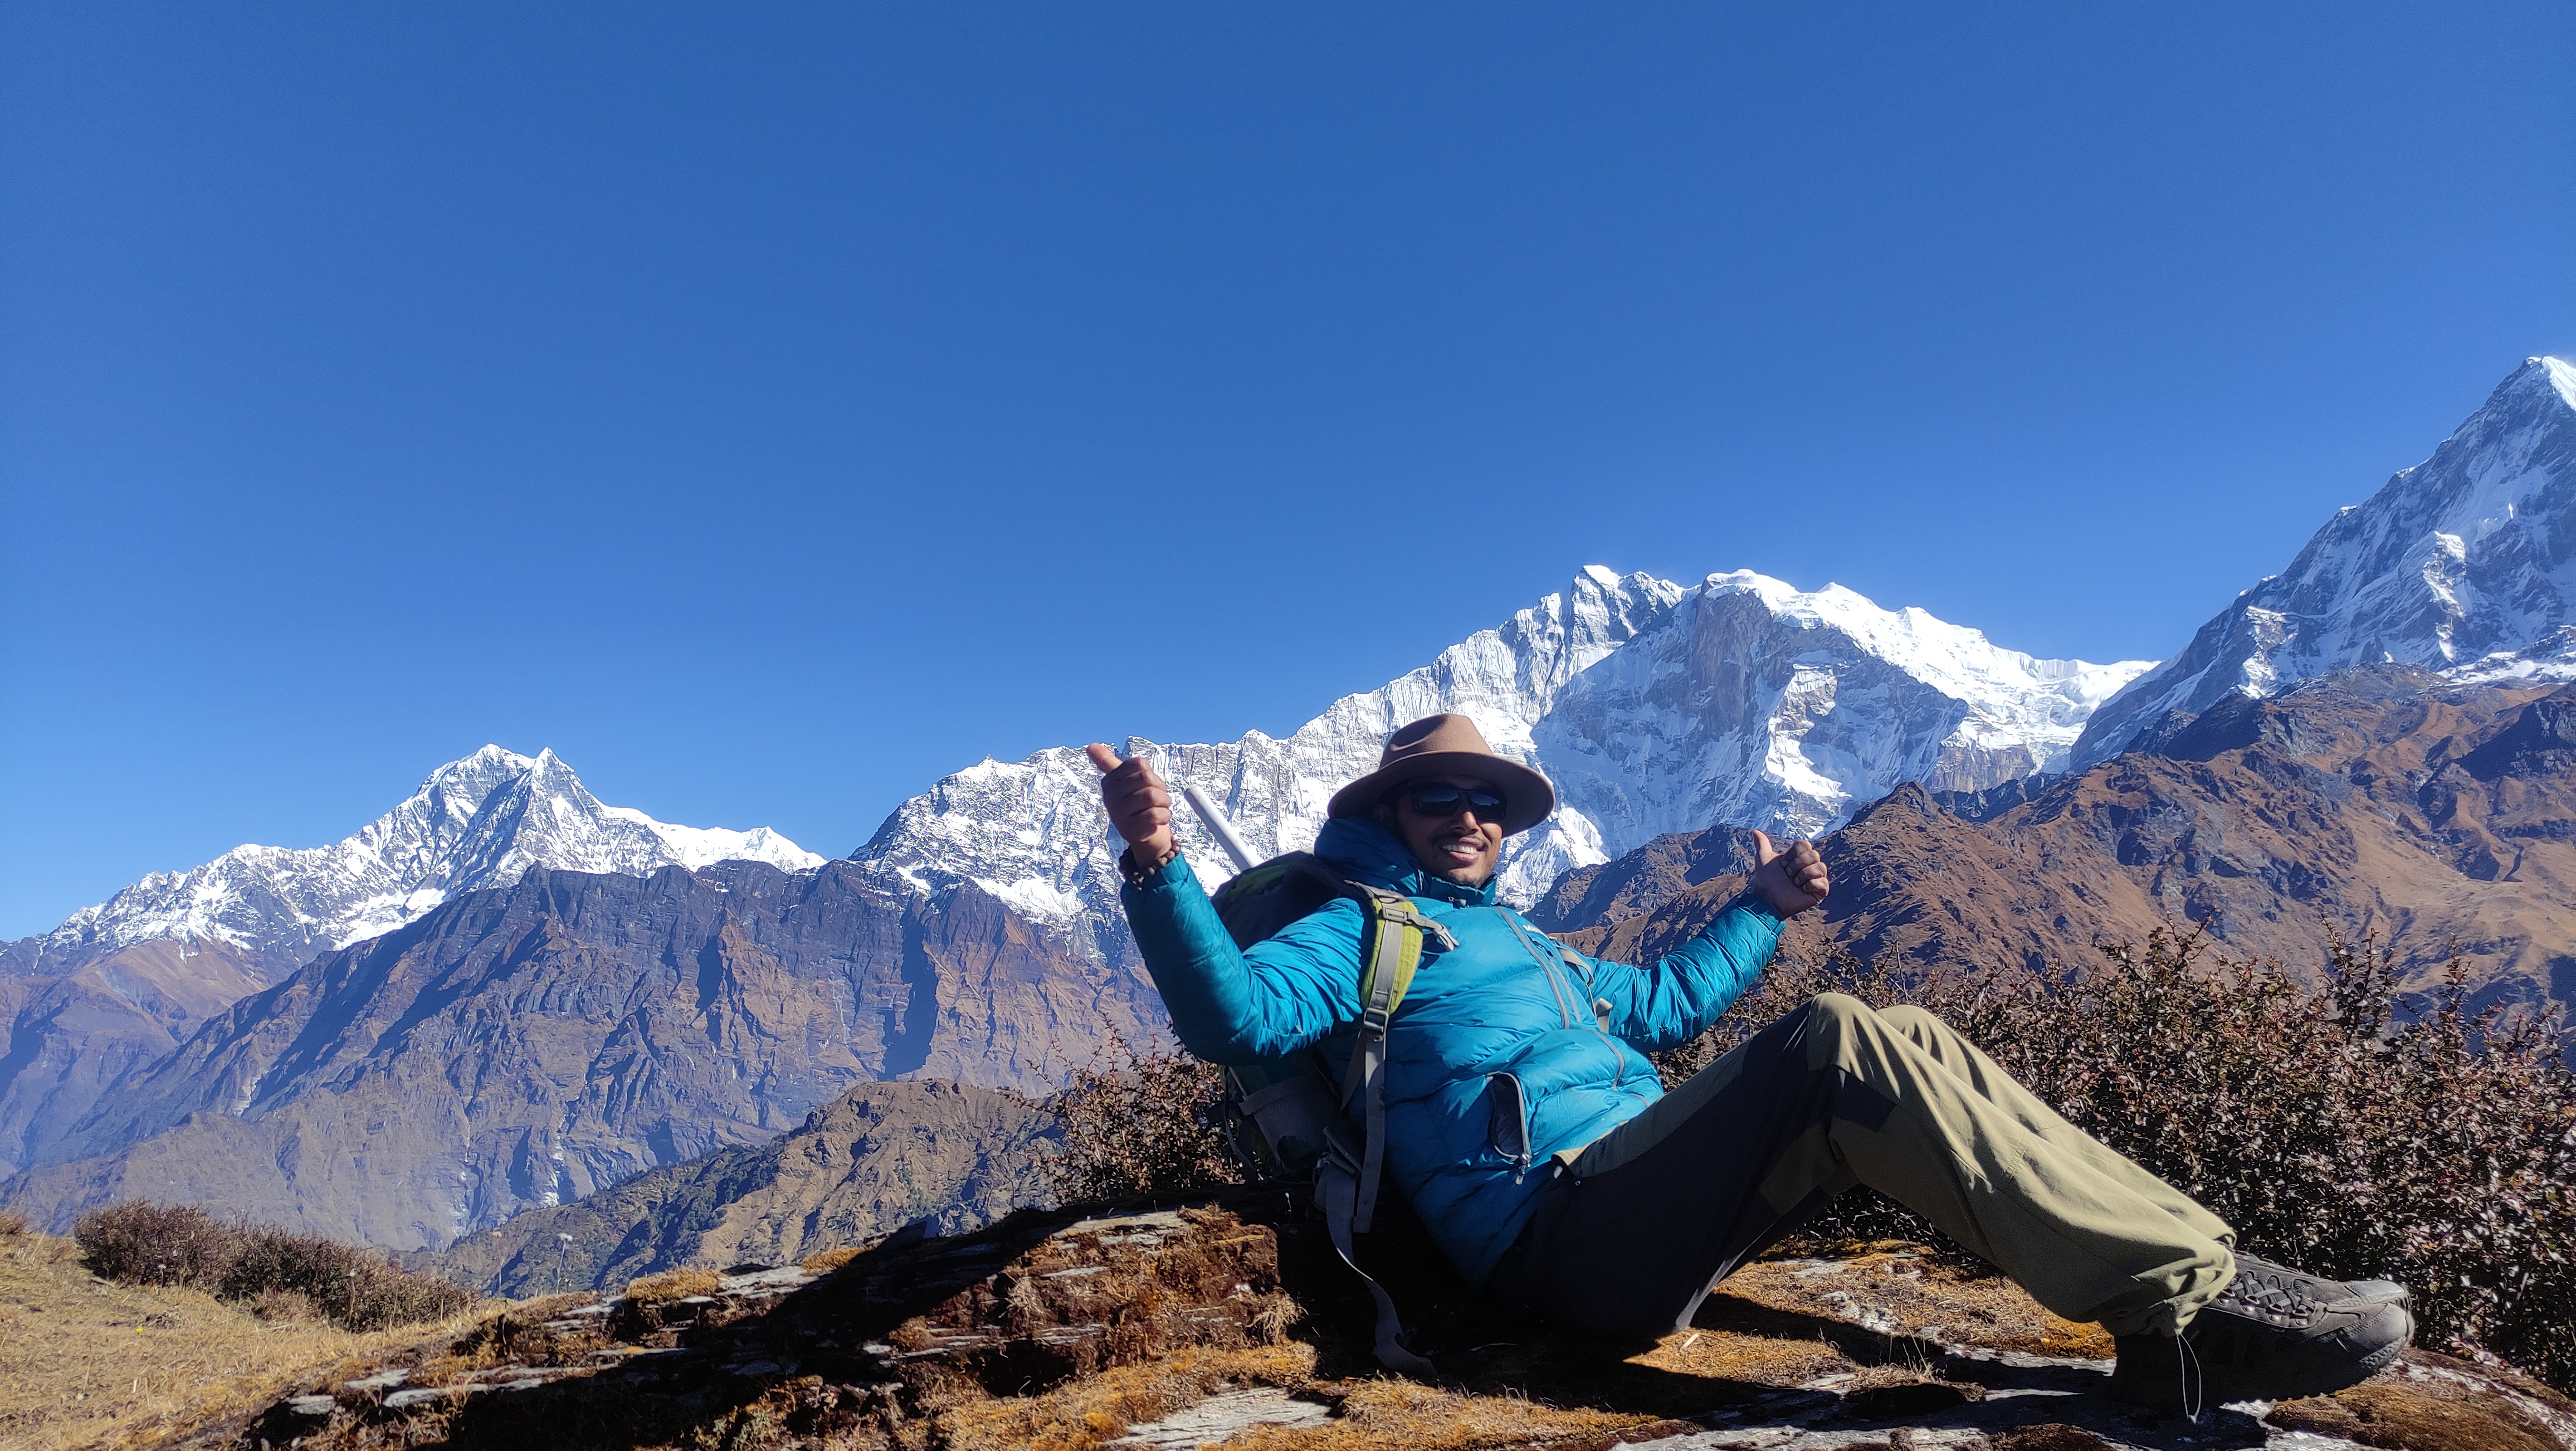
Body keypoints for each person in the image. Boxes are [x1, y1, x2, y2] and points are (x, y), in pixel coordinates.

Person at [1087, 713, 2413, 1411]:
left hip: (1636, 1201)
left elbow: (1661, 1006)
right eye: (1444, 796)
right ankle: (2183, 1316)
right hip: (1554, 1237)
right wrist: (1156, 870)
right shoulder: (1356, 927)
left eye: (1492, 800)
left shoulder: (1524, 944)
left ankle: (2194, 1285)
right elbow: (1236, 1024)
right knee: (1837, 1034)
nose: (1476, 817)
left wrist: (1761, 912)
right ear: (1387, 814)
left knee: (1904, 1036)